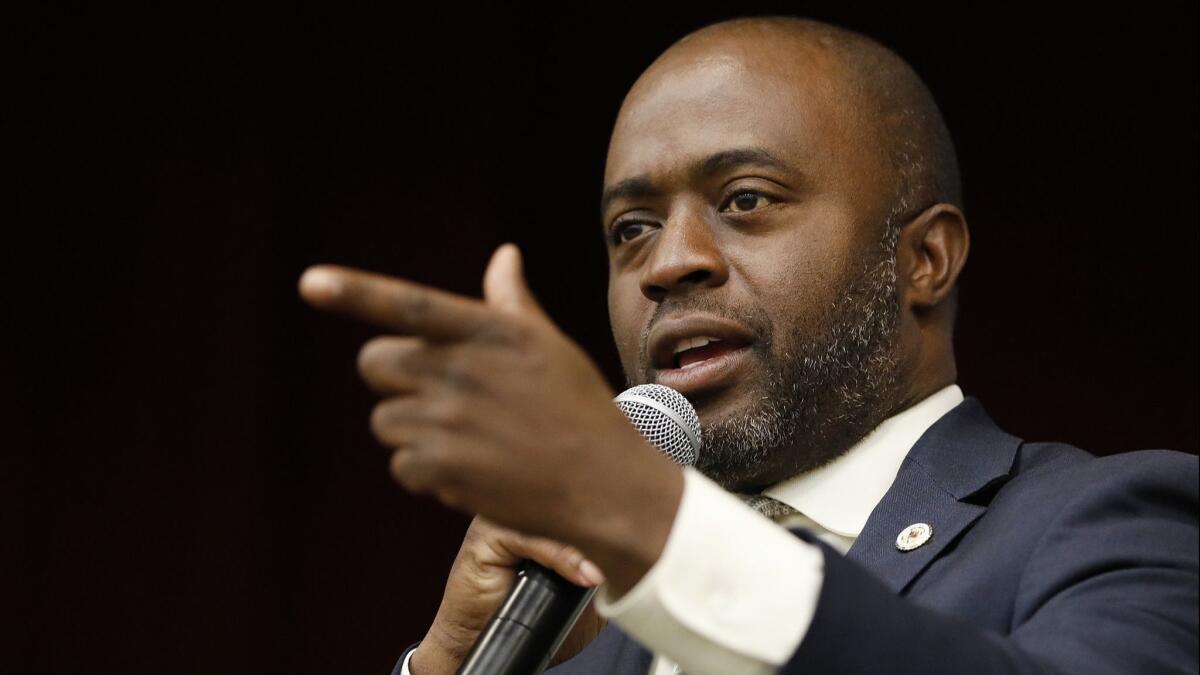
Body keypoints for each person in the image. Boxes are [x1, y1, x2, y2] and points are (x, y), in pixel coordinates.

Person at [299, 16, 1199, 675]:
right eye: (631, 228)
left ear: (924, 257)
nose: (669, 264)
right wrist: (456, 662)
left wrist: (646, 516)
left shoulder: (1119, 525)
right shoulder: (586, 639)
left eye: (745, 201)